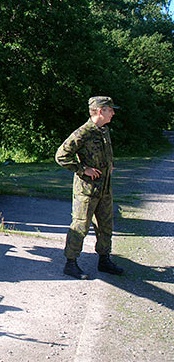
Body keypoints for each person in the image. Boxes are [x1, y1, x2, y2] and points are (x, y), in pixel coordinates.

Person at [55, 96, 124, 279]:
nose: (113, 113)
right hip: (87, 191)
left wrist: (109, 165)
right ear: (100, 111)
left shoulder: (104, 131)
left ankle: (104, 260)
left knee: (106, 226)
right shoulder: (83, 132)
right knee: (80, 226)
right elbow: (61, 156)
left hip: (105, 189)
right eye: (110, 109)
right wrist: (82, 169)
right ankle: (70, 263)